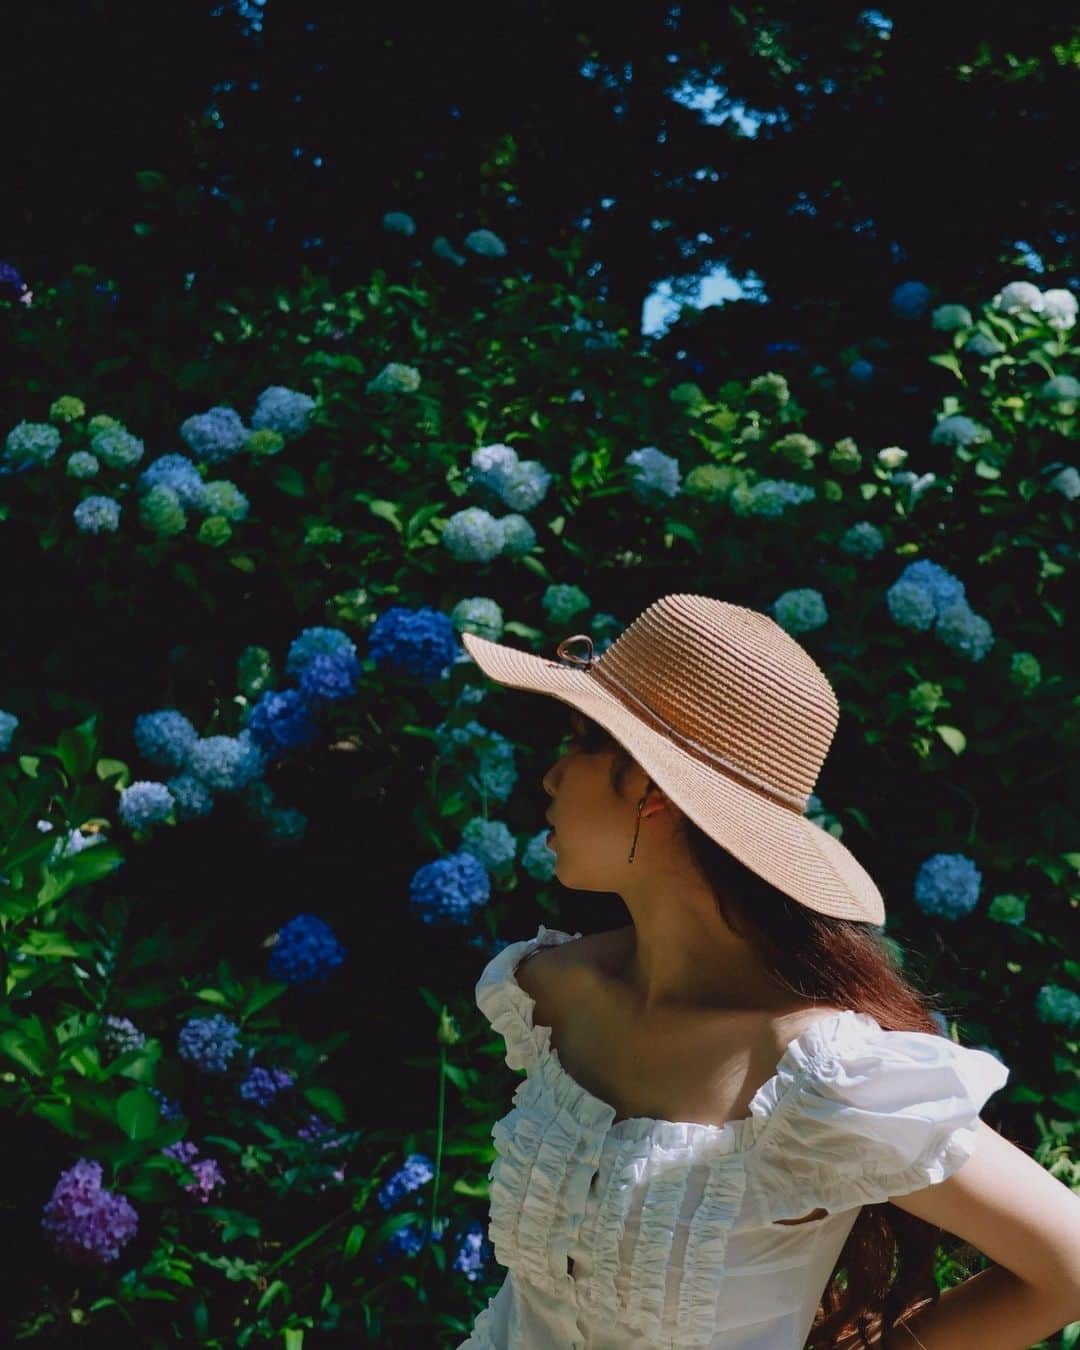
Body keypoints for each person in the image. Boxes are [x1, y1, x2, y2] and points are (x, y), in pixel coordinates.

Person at [453, 594, 1078, 1349]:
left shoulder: (822, 1078)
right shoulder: (547, 994)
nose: (551, 776)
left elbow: (1066, 1266)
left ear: (653, 790)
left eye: (582, 742)